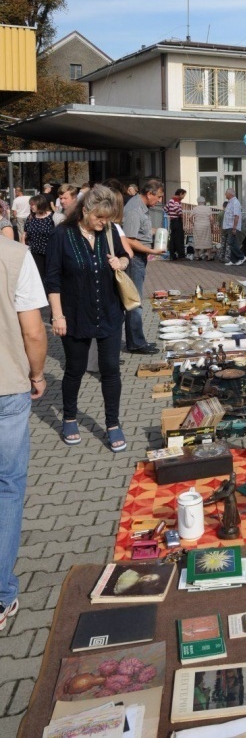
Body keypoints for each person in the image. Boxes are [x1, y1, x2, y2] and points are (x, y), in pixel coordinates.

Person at [45, 185, 130, 451]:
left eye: (108, 218)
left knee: (110, 370)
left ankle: (113, 424)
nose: (103, 223)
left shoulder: (109, 231)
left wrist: (121, 263)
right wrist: (57, 316)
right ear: (85, 211)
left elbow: (127, 255)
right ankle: (69, 417)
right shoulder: (62, 234)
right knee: (75, 369)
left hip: (109, 312)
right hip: (74, 314)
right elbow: (52, 279)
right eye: (99, 218)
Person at [0, 234, 48, 631]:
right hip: (7, 384)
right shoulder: (14, 256)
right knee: (8, 487)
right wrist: (37, 373)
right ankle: (1, 595)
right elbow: (33, 331)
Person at [122, 178, 165, 354]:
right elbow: (129, 240)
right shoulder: (134, 209)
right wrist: (152, 251)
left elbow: (139, 232)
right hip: (134, 259)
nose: (160, 200)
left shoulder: (141, 207)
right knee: (135, 302)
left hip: (140, 258)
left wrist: (155, 232)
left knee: (136, 301)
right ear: (149, 194)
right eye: (159, 196)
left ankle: (136, 340)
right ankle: (137, 344)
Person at [22, 194, 55, 281]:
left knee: (48, 277)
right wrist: (23, 248)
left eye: (33, 204)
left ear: (40, 204)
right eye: (30, 205)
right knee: (37, 278)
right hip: (34, 253)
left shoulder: (52, 217)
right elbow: (24, 234)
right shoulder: (30, 218)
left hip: (49, 253)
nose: (31, 207)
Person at [222, 188, 246, 266]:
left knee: (231, 243)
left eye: (226, 193)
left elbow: (236, 216)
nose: (225, 194)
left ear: (230, 194)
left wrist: (234, 228)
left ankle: (241, 257)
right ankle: (233, 260)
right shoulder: (230, 202)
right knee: (233, 243)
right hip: (229, 225)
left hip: (232, 226)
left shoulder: (235, 202)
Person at [165, 188, 187, 260]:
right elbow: (177, 209)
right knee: (179, 238)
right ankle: (181, 255)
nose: (184, 197)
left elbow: (165, 208)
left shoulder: (170, 200)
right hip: (177, 220)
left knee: (173, 238)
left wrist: (170, 213)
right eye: (183, 195)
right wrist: (180, 214)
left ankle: (172, 254)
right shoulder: (176, 201)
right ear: (180, 194)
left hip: (173, 221)